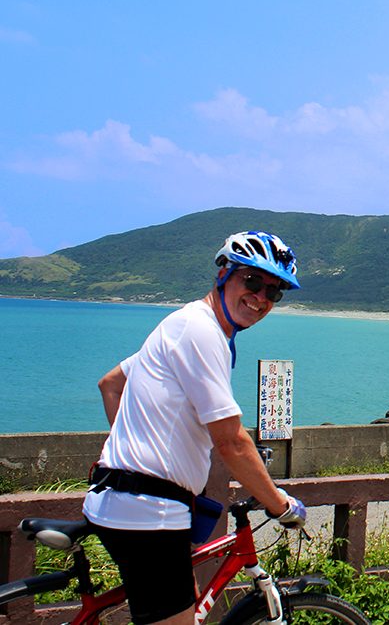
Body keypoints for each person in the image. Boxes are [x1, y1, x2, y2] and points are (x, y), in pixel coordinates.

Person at [83, 231, 308, 625]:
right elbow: (232, 443)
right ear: (224, 274)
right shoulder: (201, 332)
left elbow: (110, 384)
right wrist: (281, 505)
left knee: (179, 600)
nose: (261, 298)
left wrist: (130, 454)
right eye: (252, 281)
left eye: (274, 292)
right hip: (148, 513)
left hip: (124, 499)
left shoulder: (183, 324)